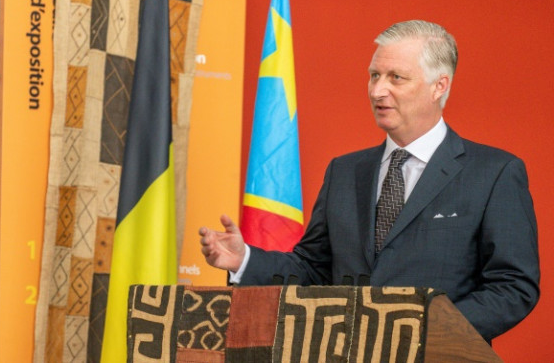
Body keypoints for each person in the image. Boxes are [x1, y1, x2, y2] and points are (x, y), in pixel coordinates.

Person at [199, 20, 540, 342]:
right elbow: (314, 269)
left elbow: (512, 287)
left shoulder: (494, 172)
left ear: (440, 85)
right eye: (374, 75)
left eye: (396, 77)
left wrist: (425, 332)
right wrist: (245, 261)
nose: (378, 90)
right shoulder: (344, 172)